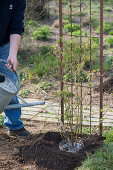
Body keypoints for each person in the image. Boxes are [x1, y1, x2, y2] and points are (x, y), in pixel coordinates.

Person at [0, 0, 30, 137]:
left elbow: (16, 25)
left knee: (9, 83)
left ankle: (14, 125)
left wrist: (12, 54)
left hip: (4, 43)